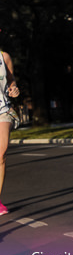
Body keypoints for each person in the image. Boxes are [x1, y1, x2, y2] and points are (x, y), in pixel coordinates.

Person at [0, 45, 20, 214]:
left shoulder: (4, 57)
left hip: (3, 109)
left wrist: (13, 88)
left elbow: (11, 80)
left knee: (1, 152)